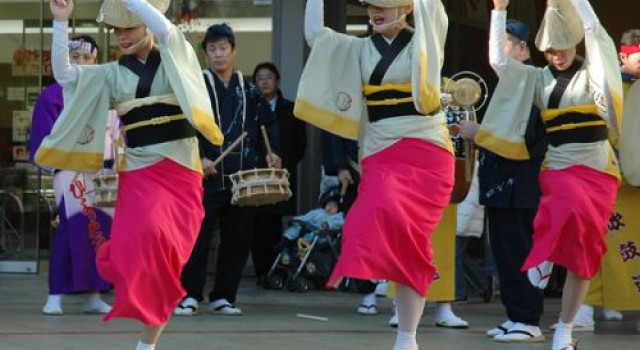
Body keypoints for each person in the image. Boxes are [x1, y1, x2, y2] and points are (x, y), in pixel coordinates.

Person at [37, 1, 223, 349]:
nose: (122, 37)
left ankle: (146, 344)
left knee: (164, 254)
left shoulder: (175, 55)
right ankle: (146, 341)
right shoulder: (110, 74)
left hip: (181, 172)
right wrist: (60, 22)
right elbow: (64, 74)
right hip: (139, 172)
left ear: (148, 27)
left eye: (130, 28)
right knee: (134, 246)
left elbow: (166, 30)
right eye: (117, 30)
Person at [297, 1, 452, 349]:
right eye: (371, 7)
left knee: (409, 238)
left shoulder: (427, 37)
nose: (375, 13)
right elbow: (314, 36)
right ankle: (402, 305)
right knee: (376, 214)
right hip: (381, 151)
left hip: (427, 149)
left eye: (384, 6)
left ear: (408, 7)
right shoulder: (358, 48)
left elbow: (433, 8)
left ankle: (406, 338)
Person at [475, 1, 623, 349]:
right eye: (551, 51)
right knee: (562, 207)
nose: (557, 56)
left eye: (563, 48)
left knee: (585, 255)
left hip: (597, 168)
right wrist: (498, 11)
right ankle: (541, 259)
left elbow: (596, 33)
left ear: (576, 44)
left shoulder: (594, 73)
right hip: (558, 165)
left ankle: (564, 330)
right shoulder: (536, 79)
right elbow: (500, 62)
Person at [175, 23, 281, 317]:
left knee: (238, 239)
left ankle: (224, 295)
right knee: (198, 238)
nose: (219, 54)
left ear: (234, 51)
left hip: (241, 178)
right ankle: (189, 294)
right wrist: (199, 158)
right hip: (206, 175)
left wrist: (273, 153)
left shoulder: (250, 90)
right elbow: (186, 128)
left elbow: (266, 128)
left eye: (224, 48)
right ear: (206, 54)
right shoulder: (196, 87)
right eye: (213, 49)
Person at [459, 15, 547, 342]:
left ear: (523, 49)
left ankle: (528, 318)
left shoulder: (535, 81)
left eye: (506, 43)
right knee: (503, 251)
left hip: (521, 183)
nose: (498, 51)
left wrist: (479, 133)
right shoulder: (510, 85)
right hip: (500, 181)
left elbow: (527, 140)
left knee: (520, 249)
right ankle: (514, 315)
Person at [29, 35, 114, 316]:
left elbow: (116, 133)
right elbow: (44, 135)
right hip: (69, 171)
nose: (80, 64)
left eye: (87, 58)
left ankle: (94, 293)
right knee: (69, 230)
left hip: (102, 171)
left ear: (96, 61)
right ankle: (55, 295)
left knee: (100, 231)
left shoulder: (106, 92)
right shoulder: (52, 95)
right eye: (74, 58)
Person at [574, 28, 640, 329]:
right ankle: (588, 305)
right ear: (622, 55)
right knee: (597, 241)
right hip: (609, 175)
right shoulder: (605, 85)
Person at [251, 62, 307, 284]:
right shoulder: (250, 110)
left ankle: (277, 271)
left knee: (276, 224)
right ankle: (261, 272)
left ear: (278, 81)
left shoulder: (291, 110)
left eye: (269, 77)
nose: (264, 81)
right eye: (260, 78)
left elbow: (300, 146)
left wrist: (284, 162)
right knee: (257, 223)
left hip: (282, 175)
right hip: (256, 175)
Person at [279, 189, 344, 265]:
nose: (330, 208)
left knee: (309, 236)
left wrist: (328, 224)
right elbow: (306, 217)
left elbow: (338, 223)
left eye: (334, 206)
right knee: (297, 227)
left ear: (338, 209)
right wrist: (296, 219)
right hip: (307, 230)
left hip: (322, 236)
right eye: (329, 205)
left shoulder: (338, 216)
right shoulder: (318, 212)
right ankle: (286, 240)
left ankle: (302, 257)